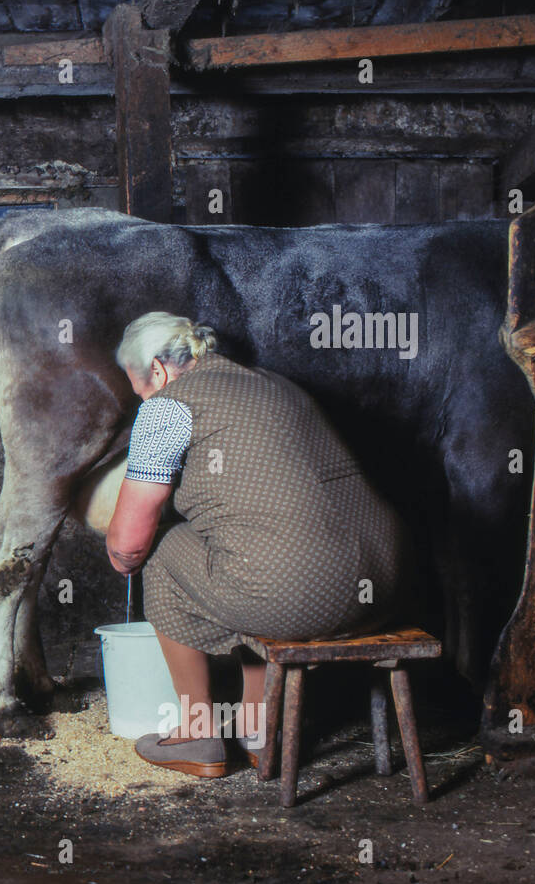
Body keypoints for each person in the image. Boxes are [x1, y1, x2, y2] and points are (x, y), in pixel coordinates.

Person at [105, 312, 410, 778]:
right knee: (240, 553)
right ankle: (258, 728)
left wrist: (119, 553)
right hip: (385, 587)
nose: (143, 400)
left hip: (297, 594)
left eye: (140, 389)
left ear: (159, 371)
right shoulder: (276, 385)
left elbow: (128, 548)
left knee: (165, 556)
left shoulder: (165, 408)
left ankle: (196, 732)